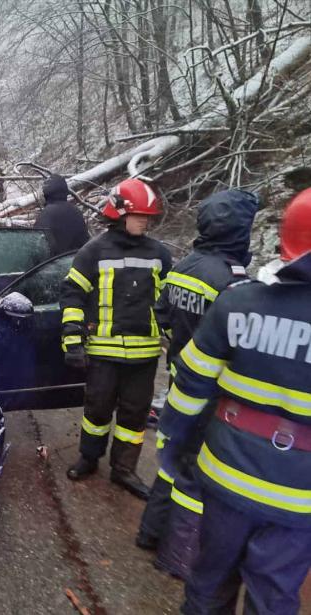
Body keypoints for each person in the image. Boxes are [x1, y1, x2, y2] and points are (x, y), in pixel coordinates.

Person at [157, 188, 311, 614]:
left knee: (208, 584)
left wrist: (172, 443)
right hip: (301, 497)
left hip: (226, 473)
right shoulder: (229, 284)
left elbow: (189, 387)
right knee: (274, 598)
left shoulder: (239, 302)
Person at [136, 190, 259, 580]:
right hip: (212, 393)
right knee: (195, 474)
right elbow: (240, 346)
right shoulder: (233, 283)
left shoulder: (184, 266)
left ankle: (150, 531)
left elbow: (162, 314)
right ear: (240, 231)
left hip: (180, 379)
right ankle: (177, 555)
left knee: (170, 460)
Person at [61, 178, 172, 499]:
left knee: (134, 417)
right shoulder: (93, 251)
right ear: (119, 213)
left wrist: (177, 344)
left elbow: (169, 304)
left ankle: (124, 469)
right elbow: (72, 295)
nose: (145, 221)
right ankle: (89, 457)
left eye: (148, 216)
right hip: (103, 353)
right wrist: (73, 341)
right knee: (97, 411)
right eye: (140, 215)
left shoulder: (160, 254)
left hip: (144, 356)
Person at [35, 175, 89, 255]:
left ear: (45, 193)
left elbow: (38, 245)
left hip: (57, 261)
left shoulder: (46, 214)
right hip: (79, 258)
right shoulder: (76, 211)